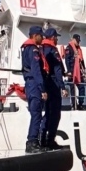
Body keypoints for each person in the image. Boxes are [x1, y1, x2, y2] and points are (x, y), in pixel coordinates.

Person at [41, 28, 68, 150]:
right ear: (52, 37)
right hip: (53, 85)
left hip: (44, 84)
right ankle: (50, 141)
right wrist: (62, 87)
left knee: (47, 113)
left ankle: (41, 140)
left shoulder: (41, 49)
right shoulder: (52, 50)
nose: (57, 39)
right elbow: (57, 70)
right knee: (55, 114)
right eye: (56, 37)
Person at [21, 25, 47, 153]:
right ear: (34, 35)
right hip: (35, 85)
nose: (42, 38)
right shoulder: (33, 50)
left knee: (35, 114)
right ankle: (32, 142)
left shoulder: (27, 49)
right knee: (36, 114)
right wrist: (42, 89)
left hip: (30, 85)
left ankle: (34, 141)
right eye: (40, 35)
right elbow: (36, 71)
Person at [65, 34, 86, 110]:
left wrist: (84, 69)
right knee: (73, 89)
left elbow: (82, 60)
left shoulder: (79, 49)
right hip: (72, 71)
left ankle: (81, 103)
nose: (78, 42)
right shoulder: (68, 48)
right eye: (77, 41)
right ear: (73, 40)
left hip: (79, 71)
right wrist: (69, 71)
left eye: (79, 41)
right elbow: (67, 60)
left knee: (82, 87)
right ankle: (74, 105)